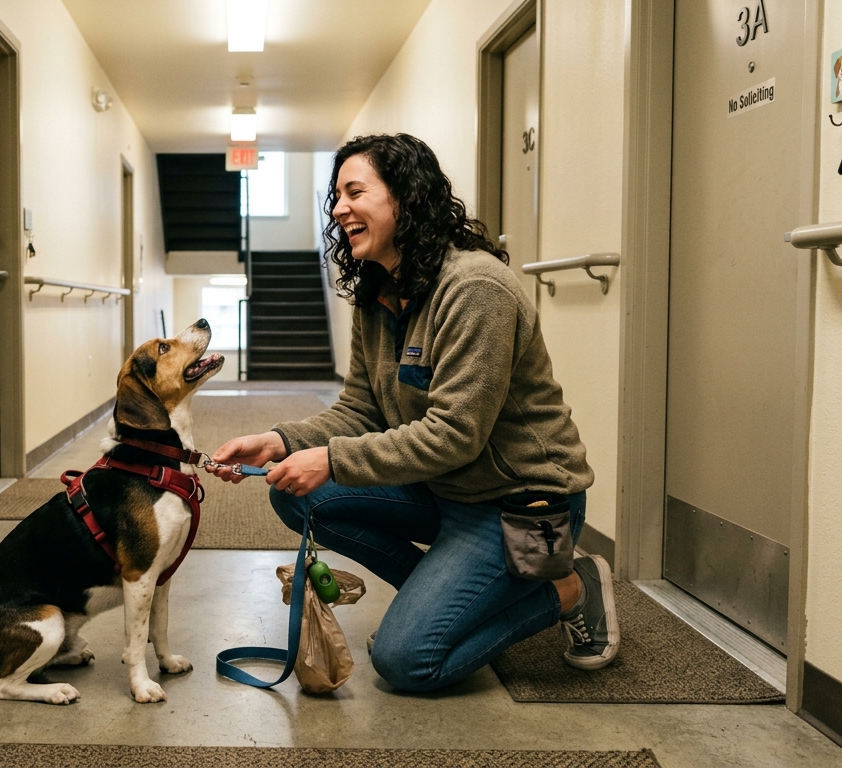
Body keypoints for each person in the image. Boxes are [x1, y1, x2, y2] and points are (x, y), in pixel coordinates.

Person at [205, 133, 617, 693]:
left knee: (407, 662)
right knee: (294, 493)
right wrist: (281, 440)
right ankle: (443, 608)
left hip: (520, 503)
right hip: (442, 491)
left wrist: (328, 458)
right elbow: (359, 409)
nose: (338, 208)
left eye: (355, 191)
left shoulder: (475, 288)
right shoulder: (378, 294)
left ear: (406, 197)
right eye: (336, 196)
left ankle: (570, 586)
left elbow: (455, 435)